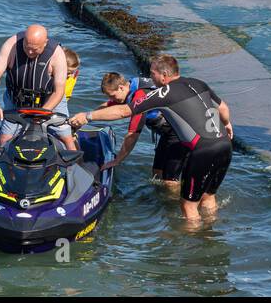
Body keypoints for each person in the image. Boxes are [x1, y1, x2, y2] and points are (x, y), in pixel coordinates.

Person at [70, 55, 232, 222]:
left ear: (163, 75)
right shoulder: (198, 82)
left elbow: (124, 112)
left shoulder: (163, 92)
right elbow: (223, 108)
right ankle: (211, 229)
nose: (150, 77)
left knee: (188, 205)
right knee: (208, 196)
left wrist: (88, 116)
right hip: (225, 144)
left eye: (152, 73)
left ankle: (192, 244)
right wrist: (227, 125)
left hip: (202, 150)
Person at [0, 24, 76, 151]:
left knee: (66, 138)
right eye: (27, 47)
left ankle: (74, 165)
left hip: (51, 100)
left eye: (35, 49)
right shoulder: (11, 46)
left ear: (45, 43)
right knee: (4, 138)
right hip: (16, 100)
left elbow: (59, 90)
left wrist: (42, 113)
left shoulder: (57, 54)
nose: (30, 52)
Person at [97, 72, 183, 186]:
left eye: (112, 95)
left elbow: (133, 134)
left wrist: (117, 160)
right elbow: (109, 104)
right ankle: (159, 200)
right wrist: (87, 116)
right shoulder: (132, 85)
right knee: (157, 173)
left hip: (179, 134)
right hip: (167, 134)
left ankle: (175, 201)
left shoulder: (140, 96)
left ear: (121, 87)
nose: (112, 99)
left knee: (170, 181)